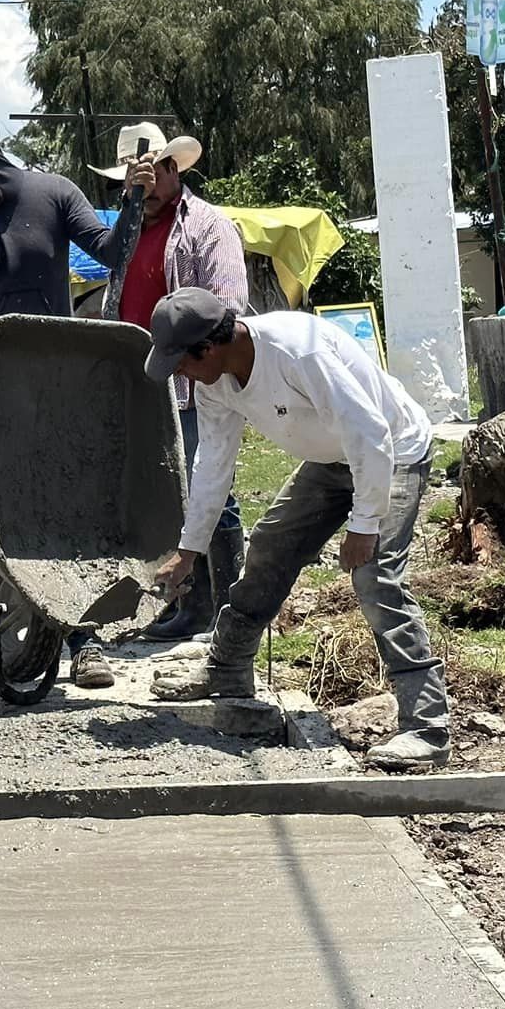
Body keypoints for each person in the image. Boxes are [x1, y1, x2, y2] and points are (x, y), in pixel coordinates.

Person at [142, 288, 452, 772]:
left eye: (180, 361)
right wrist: (188, 548)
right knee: (269, 547)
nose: (178, 373)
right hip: (330, 459)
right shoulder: (214, 382)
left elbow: (369, 433)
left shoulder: (297, 352)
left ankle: (426, 728)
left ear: (210, 345)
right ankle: (227, 669)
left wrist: (364, 523)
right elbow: (213, 466)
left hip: (393, 451)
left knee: (374, 579)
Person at [0, 101, 137, 692]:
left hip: (55, 384)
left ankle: (84, 641)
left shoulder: (53, 193)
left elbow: (111, 251)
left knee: (69, 504)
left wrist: (137, 202)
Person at [86, 122, 249, 644]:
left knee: (211, 489)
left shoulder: (206, 226)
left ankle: (226, 607)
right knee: (167, 495)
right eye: (129, 181)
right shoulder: (126, 233)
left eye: (146, 176)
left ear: (171, 170)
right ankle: (188, 603)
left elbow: (229, 306)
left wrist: (199, 362)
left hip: (194, 382)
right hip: (144, 386)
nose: (137, 187)